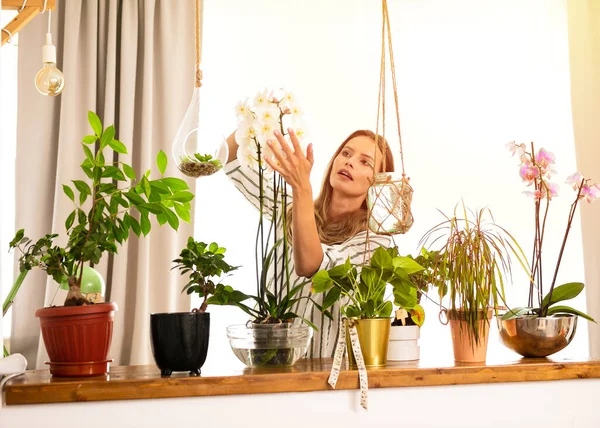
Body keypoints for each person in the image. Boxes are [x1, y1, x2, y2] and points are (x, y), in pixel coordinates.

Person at [224, 128, 395, 358]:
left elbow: (311, 266)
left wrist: (301, 187)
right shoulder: (289, 209)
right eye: (346, 153)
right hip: (270, 365)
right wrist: (257, 116)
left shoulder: (374, 243)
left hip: (324, 383)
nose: (350, 162)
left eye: (365, 162)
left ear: (378, 182)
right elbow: (229, 158)